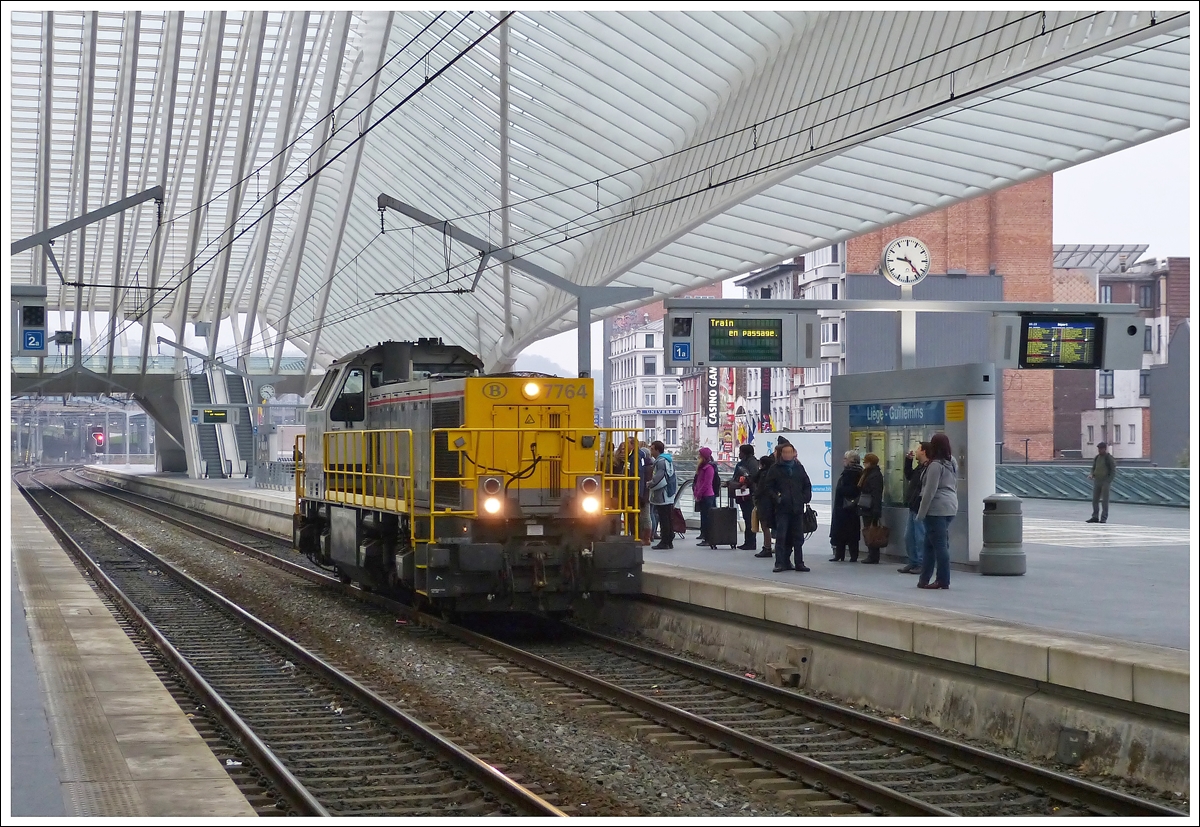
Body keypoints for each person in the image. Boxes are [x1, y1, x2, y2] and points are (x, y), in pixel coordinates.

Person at [761, 442, 812, 573]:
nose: (788, 455)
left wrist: (805, 497)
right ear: (781, 454)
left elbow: (807, 484)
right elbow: (768, 486)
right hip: (782, 508)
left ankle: (799, 562)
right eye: (785, 452)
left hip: (797, 507)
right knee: (781, 536)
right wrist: (777, 498)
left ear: (794, 453)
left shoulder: (799, 468)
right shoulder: (775, 469)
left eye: (790, 452)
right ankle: (779, 563)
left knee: (798, 537)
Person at [917, 432, 958, 590]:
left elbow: (929, 491)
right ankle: (924, 579)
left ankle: (943, 580)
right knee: (929, 544)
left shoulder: (935, 465)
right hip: (951, 506)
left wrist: (921, 513)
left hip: (936, 509)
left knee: (940, 545)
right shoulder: (952, 462)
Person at [898, 443, 930, 574]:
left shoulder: (929, 468)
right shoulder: (920, 467)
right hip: (913, 506)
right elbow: (909, 475)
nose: (916, 451)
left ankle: (922, 563)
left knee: (920, 536)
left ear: (924, 452)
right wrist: (908, 461)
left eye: (918, 449)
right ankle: (913, 561)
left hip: (920, 506)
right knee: (909, 536)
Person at [829, 450, 863, 562]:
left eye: (845, 458)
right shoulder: (857, 472)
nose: (844, 461)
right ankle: (847, 554)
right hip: (849, 507)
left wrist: (841, 490)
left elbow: (853, 490)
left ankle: (842, 554)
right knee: (849, 532)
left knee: (844, 531)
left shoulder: (851, 473)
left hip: (846, 506)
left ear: (851, 461)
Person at [730, 444, 760, 551]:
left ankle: (751, 542)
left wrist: (746, 484)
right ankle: (748, 541)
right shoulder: (744, 463)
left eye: (741, 452)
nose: (739, 454)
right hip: (743, 493)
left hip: (748, 493)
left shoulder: (751, 463)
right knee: (747, 517)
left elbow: (753, 476)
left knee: (749, 518)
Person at [648, 441, 676, 549]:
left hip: (662, 494)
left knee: (663, 517)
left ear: (657, 450)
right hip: (668, 492)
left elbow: (658, 477)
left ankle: (665, 541)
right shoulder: (668, 460)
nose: (651, 451)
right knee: (668, 517)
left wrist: (649, 484)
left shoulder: (660, 462)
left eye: (652, 449)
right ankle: (669, 540)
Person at [857, 453, 885, 564]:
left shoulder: (874, 475)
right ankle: (872, 554)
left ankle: (873, 555)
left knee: (872, 532)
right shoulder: (868, 473)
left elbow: (876, 494)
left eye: (865, 462)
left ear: (870, 462)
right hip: (867, 506)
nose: (864, 464)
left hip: (871, 507)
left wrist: (876, 510)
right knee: (869, 530)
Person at [752, 449, 776, 559]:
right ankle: (769, 547)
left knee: (765, 526)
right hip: (771, 502)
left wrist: (755, 496)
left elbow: (760, 488)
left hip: (764, 503)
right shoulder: (772, 473)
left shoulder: (763, 474)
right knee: (769, 526)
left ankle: (767, 547)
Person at [693, 446, 718, 545]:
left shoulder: (709, 468)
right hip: (703, 495)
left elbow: (707, 483)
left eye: (700, 455)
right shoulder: (703, 467)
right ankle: (705, 537)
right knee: (704, 516)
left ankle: (708, 538)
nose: (698, 457)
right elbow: (698, 481)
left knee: (707, 517)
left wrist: (699, 493)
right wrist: (696, 491)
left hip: (707, 495)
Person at [1087, 441, 1117, 523]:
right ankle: (1095, 516)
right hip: (1097, 480)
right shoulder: (1097, 458)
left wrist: (1108, 481)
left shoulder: (1109, 458)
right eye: (1098, 449)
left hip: (1105, 481)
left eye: (1101, 449)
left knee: (1104, 501)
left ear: (1105, 449)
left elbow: (1113, 470)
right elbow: (1094, 467)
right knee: (1095, 500)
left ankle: (1103, 518)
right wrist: (1092, 474)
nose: (1099, 450)